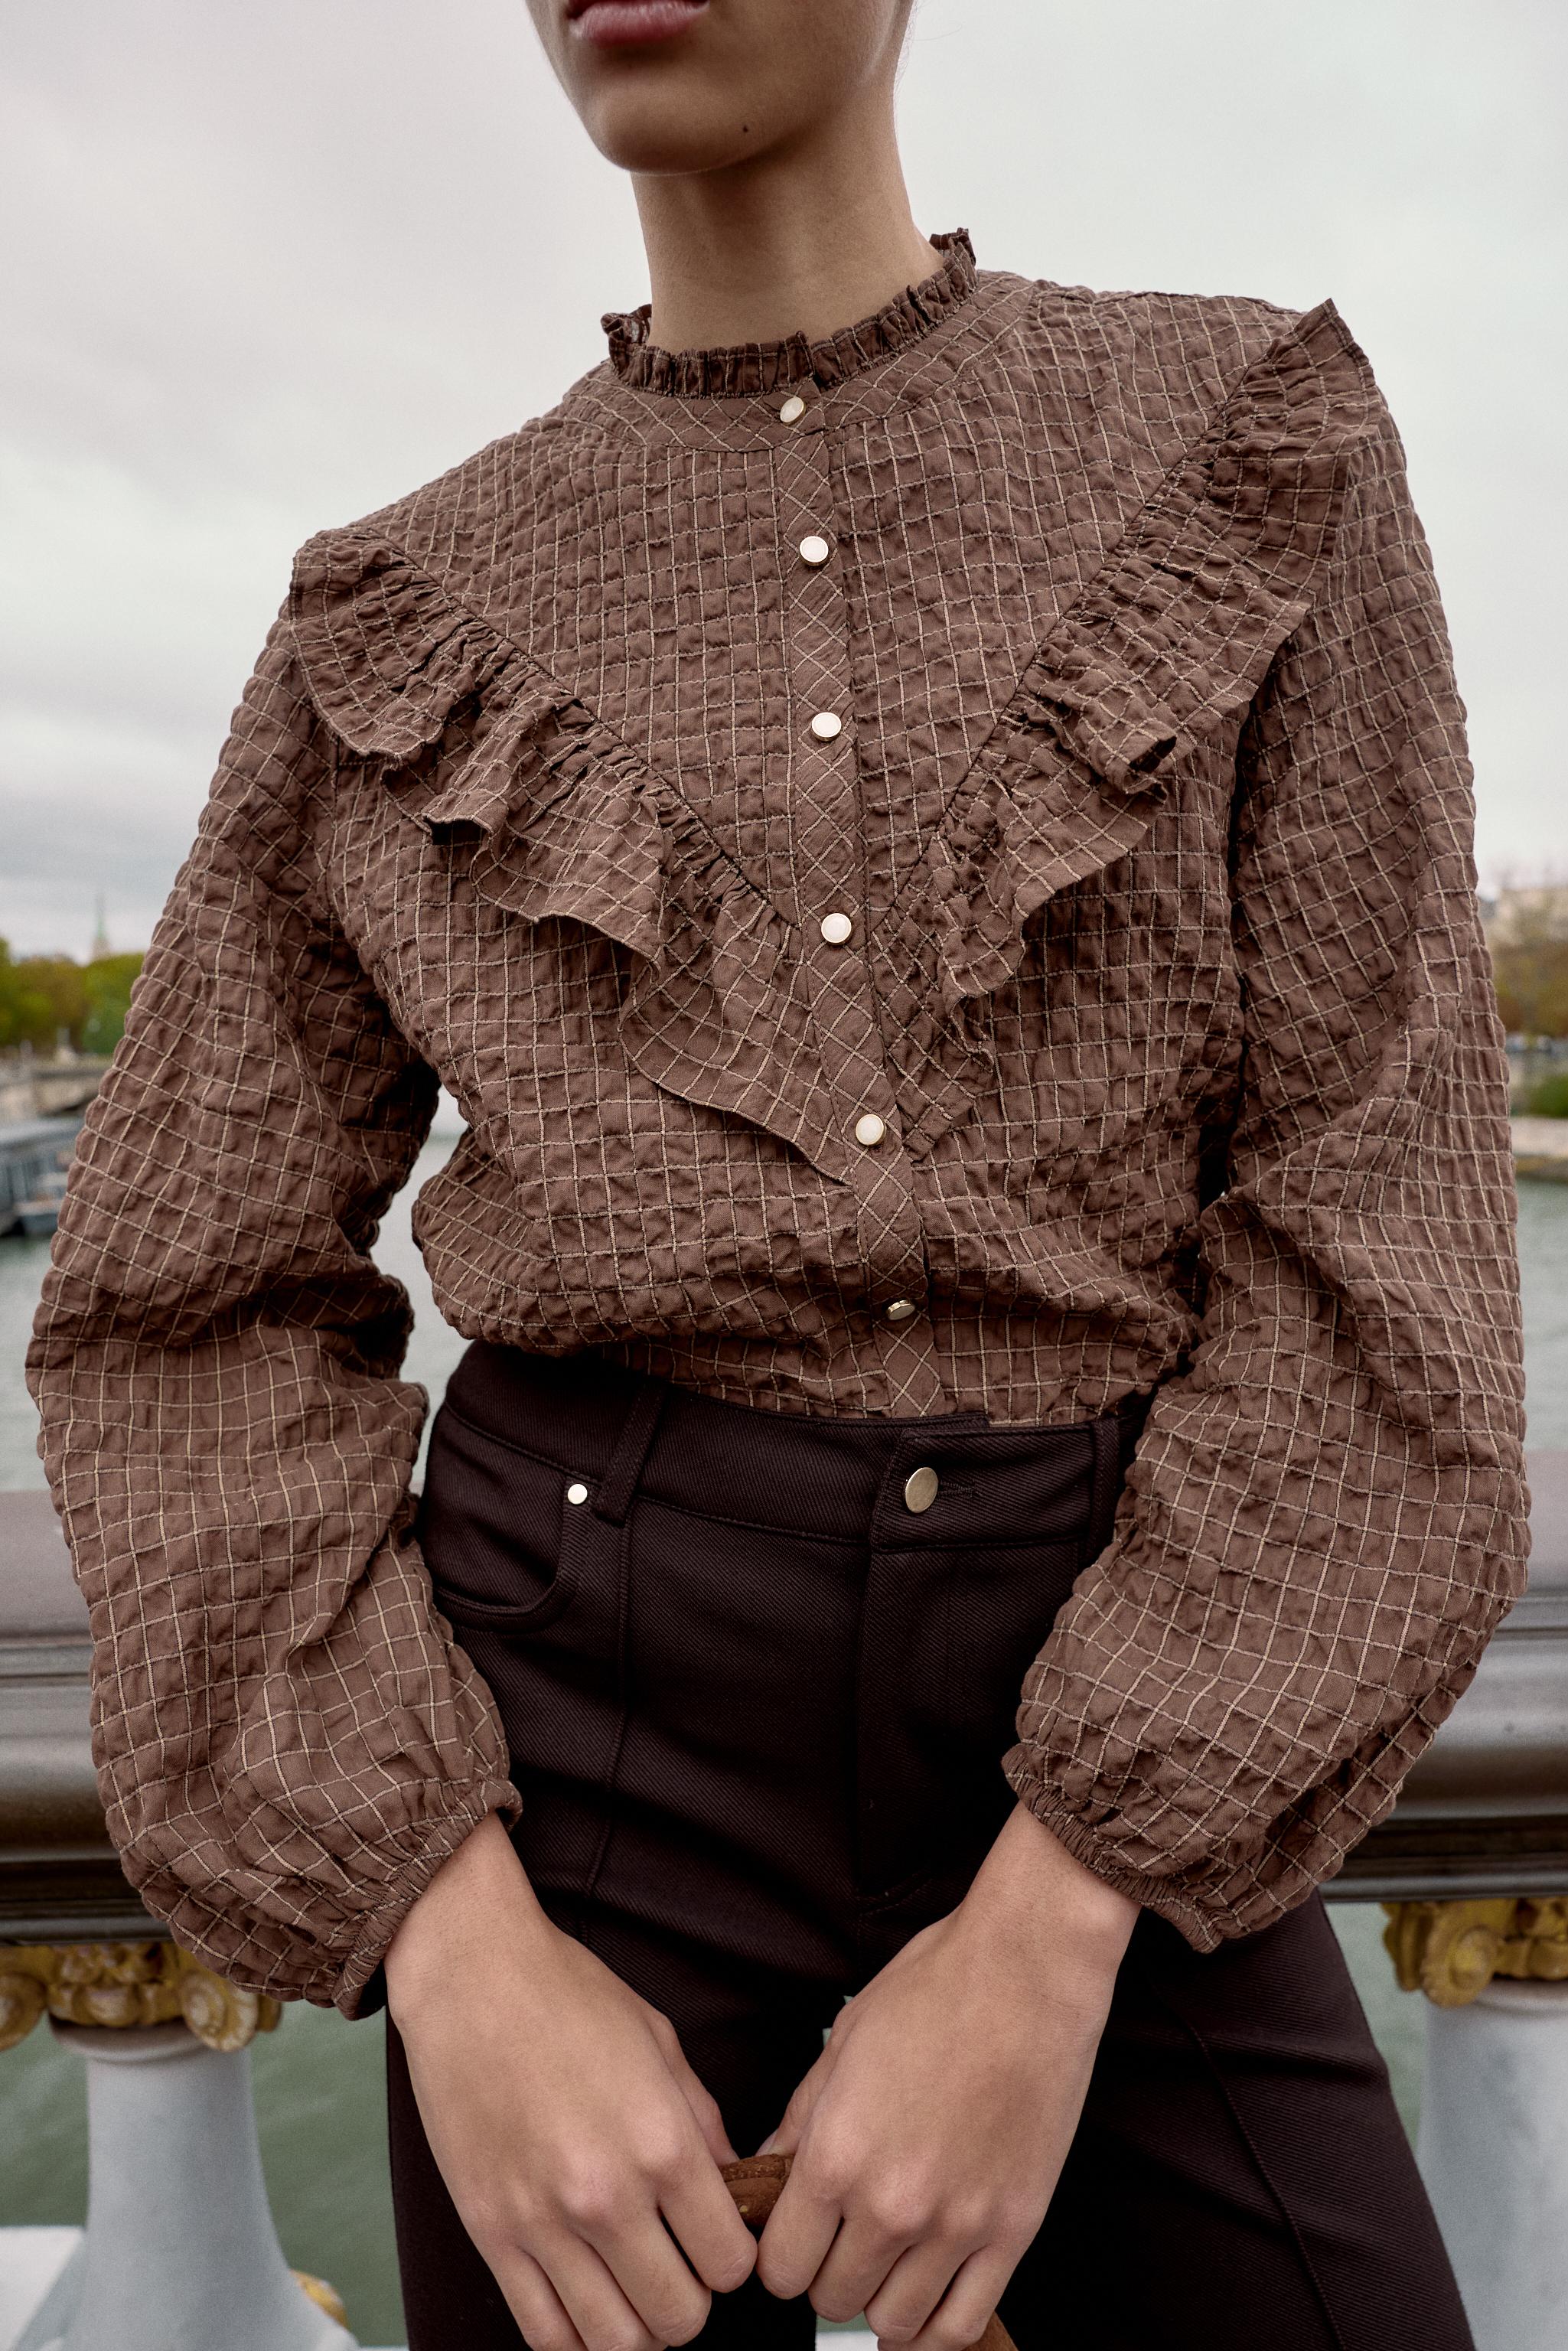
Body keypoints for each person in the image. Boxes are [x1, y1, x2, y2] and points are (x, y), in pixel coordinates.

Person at [28, 2, 1528, 2346]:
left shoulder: (1246, 446)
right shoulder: (391, 611)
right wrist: (448, 1936)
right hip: (563, 1761)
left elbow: (1377, 1244)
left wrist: (1060, 1919)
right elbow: (176, 1311)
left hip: (1120, 1680)